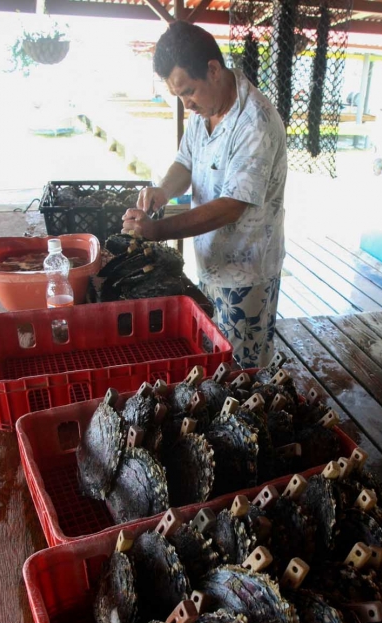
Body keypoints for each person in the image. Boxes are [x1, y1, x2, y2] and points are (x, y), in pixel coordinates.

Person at [122, 21, 287, 368]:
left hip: (246, 273)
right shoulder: (205, 110)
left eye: (188, 92)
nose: (187, 104)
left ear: (213, 70)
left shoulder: (254, 121)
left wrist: (159, 230)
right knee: (212, 360)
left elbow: (231, 207)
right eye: (179, 96)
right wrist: (163, 191)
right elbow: (186, 161)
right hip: (210, 265)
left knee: (242, 370)